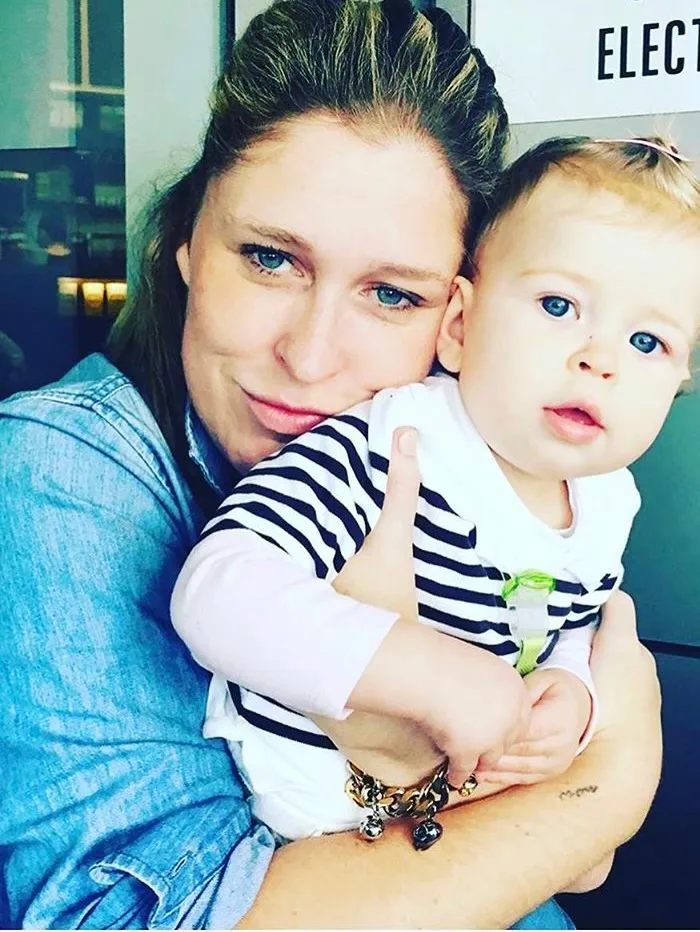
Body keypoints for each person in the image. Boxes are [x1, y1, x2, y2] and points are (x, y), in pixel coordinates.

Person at [0, 1, 661, 928]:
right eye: (270, 259)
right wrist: (606, 789)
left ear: (458, 318)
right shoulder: (62, 475)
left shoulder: (466, 470)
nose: (310, 358)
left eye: (392, 294)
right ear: (187, 241)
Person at [171, 134, 698, 850]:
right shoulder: (397, 444)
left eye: (648, 343)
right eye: (558, 304)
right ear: (458, 325)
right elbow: (216, 591)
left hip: (457, 829)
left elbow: (572, 623)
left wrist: (570, 692)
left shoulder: (606, 500)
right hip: (296, 840)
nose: (599, 358)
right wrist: (424, 672)